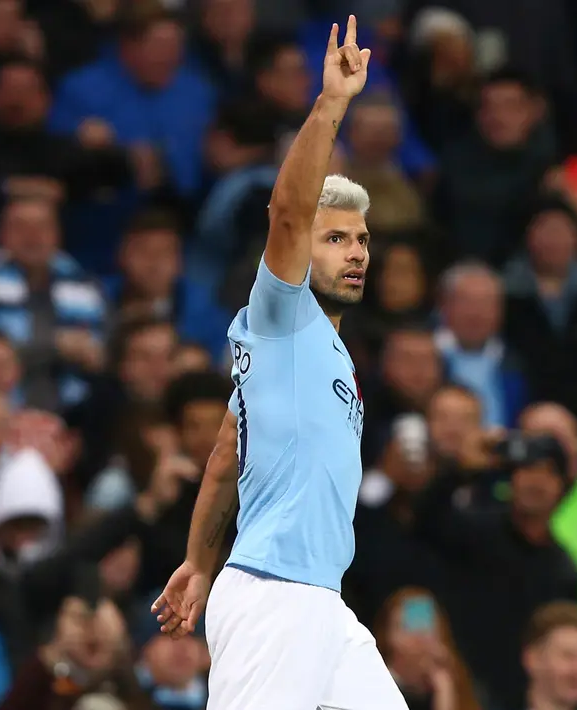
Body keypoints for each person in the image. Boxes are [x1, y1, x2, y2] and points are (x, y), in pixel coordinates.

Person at [151, 17, 408, 709]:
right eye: (335, 238)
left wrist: (197, 565)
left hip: (320, 600)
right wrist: (331, 104)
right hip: (274, 596)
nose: (355, 252)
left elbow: (228, 450)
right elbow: (289, 214)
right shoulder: (280, 317)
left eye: (360, 239)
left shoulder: (319, 349)